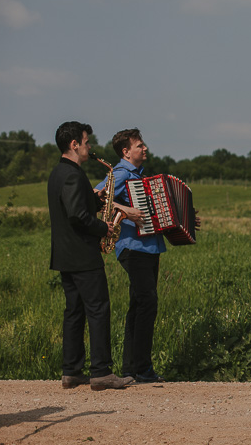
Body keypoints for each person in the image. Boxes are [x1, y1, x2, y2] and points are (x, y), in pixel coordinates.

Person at [47, 121, 134, 391]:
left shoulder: (58, 173)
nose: (90, 147)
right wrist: (104, 227)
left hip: (64, 255)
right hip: (83, 255)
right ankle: (101, 372)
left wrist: (96, 199)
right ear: (74, 145)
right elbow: (77, 216)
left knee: (74, 312)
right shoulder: (74, 175)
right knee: (98, 310)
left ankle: (71, 371)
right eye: (86, 142)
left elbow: (73, 206)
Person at [95, 128, 168, 383]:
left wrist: (185, 220)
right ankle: (143, 368)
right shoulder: (121, 173)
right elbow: (94, 196)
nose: (144, 148)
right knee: (148, 302)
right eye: (139, 145)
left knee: (139, 305)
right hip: (131, 247)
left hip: (149, 247)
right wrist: (126, 210)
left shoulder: (139, 177)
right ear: (126, 151)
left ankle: (131, 368)